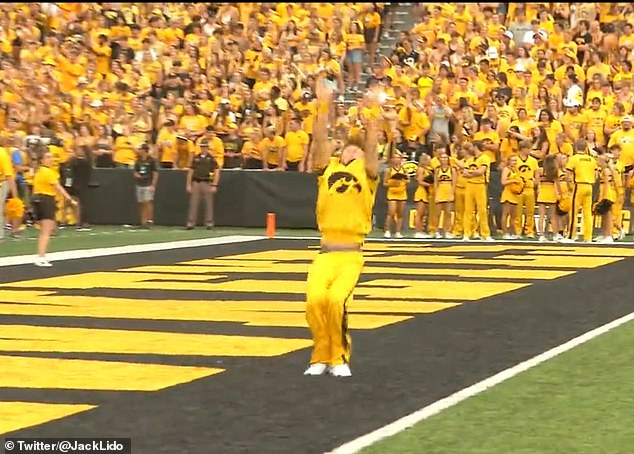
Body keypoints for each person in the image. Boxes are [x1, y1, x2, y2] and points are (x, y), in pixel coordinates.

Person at [304, 74, 379, 378]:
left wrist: (373, 113)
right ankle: (320, 354)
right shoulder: (329, 168)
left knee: (336, 301)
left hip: (350, 254)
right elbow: (320, 140)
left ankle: (338, 356)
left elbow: (372, 147)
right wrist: (323, 104)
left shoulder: (368, 173)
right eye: (347, 148)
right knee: (314, 301)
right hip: (325, 252)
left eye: (355, 149)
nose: (350, 151)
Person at [32, 151, 77, 267]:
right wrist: (70, 199)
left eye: (52, 157)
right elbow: (58, 187)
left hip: (39, 199)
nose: (51, 159)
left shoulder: (39, 171)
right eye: (48, 157)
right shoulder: (48, 172)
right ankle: (41, 256)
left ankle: (41, 255)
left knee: (45, 231)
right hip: (46, 200)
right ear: (41, 160)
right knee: (46, 232)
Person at [564, 139, 598, 243]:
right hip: (589, 186)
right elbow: (596, 175)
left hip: (578, 185)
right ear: (585, 147)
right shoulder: (592, 159)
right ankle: (588, 237)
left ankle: (571, 236)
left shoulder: (573, 159)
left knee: (574, 211)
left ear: (575, 147)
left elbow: (568, 174)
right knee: (587, 213)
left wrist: (570, 186)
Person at [186, 139, 221, 230]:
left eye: (205, 147)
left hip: (207, 182)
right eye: (202, 147)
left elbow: (216, 171)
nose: (204, 149)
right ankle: (191, 222)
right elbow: (191, 171)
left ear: (207, 148)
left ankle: (209, 222)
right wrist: (188, 184)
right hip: (196, 182)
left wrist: (214, 184)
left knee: (208, 203)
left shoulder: (211, 158)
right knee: (194, 203)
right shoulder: (196, 158)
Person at [133, 143, 159, 229]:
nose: (139, 151)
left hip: (148, 183)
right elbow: (135, 171)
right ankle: (143, 222)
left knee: (148, 202)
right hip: (140, 183)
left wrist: (153, 184)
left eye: (141, 149)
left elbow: (155, 173)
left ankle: (149, 220)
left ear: (144, 150)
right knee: (141, 203)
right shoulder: (138, 160)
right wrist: (136, 175)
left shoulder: (151, 160)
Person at [0, 146, 19, 240]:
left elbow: (9, 175)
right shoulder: (2, 152)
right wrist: (15, 196)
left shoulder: (2, 153)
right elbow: (9, 175)